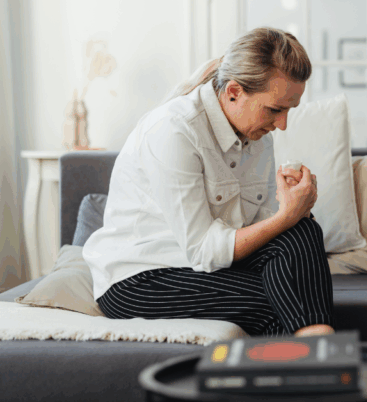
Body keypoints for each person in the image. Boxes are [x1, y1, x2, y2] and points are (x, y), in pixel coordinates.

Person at [83, 27, 335, 338]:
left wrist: (295, 207)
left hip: (207, 268)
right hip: (141, 276)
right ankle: (321, 360)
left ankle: (319, 352)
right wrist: (286, 216)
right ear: (233, 92)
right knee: (277, 301)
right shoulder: (174, 131)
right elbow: (203, 250)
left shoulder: (257, 135)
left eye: (289, 111)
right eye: (275, 109)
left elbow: (264, 229)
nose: (281, 125)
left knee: (304, 230)